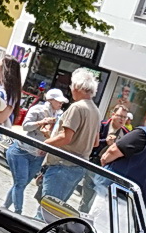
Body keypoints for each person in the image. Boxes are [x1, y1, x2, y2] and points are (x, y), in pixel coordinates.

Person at [38, 70, 102, 206]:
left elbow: (66, 138)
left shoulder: (77, 107)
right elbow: (95, 142)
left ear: (78, 87)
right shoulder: (96, 111)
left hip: (62, 164)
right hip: (78, 166)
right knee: (55, 210)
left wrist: (45, 144)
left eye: (72, 84)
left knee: (46, 210)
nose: (71, 88)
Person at [5, 87, 64, 215]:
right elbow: (26, 126)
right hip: (22, 150)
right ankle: (17, 212)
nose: (61, 103)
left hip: (38, 154)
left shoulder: (58, 115)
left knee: (21, 184)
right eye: (58, 101)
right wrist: (42, 122)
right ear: (50, 100)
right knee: (20, 183)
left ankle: (5, 207)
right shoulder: (37, 109)